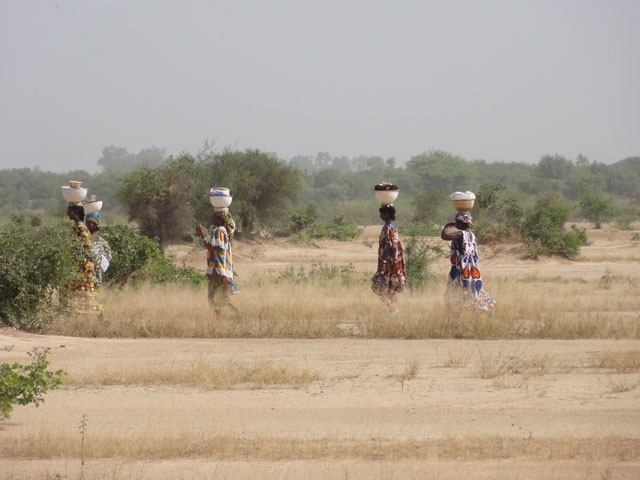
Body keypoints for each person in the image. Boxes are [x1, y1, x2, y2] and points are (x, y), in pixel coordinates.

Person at [441, 211, 496, 310]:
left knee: (458, 287)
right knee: (471, 288)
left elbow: (444, 236)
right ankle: (474, 308)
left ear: (460, 223)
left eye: (457, 222)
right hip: (472, 266)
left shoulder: (460, 234)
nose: (455, 224)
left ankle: (459, 309)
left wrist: (446, 227)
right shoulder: (472, 234)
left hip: (462, 267)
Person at [196, 210, 239, 317]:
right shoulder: (224, 231)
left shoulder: (219, 231)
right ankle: (235, 314)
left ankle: (232, 315)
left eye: (214, 218)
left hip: (217, 268)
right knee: (220, 295)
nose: (212, 220)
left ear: (220, 220)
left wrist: (201, 234)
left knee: (213, 295)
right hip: (221, 268)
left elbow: (211, 248)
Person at [61, 204, 101, 314]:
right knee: (81, 291)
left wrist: (83, 260)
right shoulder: (79, 226)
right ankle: (81, 314)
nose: (68, 214)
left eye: (70, 211)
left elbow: (88, 246)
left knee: (83, 291)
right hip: (79, 267)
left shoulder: (80, 227)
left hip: (82, 268)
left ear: (76, 212)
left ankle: (93, 314)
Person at [371, 205, 407, 316]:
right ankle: (395, 313)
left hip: (388, 264)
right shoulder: (391, 228)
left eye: (381, 213)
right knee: (391, 290)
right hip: (393, 263)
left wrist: (384, 263)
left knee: (376, 286)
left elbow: (391, 247)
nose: (380, 216)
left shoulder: (388, 228)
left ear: (386, 214)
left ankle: (392, 308)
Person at [85, 213, 112, 311]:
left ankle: (100, 315)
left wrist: (97, 260)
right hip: (84, 275)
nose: (87, 225)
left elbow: (108, 257)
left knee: (96, 297)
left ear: (95, 225)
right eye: (86, 223)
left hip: (96, 276)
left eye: (89, 223)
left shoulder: (102, 243)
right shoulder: (83, 240)